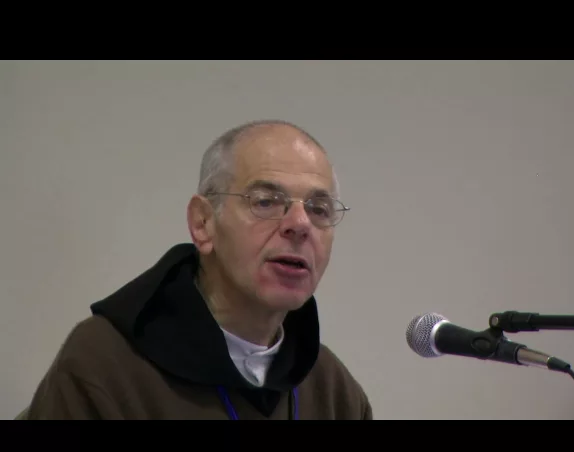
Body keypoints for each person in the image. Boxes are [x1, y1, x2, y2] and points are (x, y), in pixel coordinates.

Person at [23, 119, 373, 420]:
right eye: (266, 201)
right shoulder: (105, 365)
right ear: (203, 223)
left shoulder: (331, 389)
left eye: (319, 209)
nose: (300, 224)